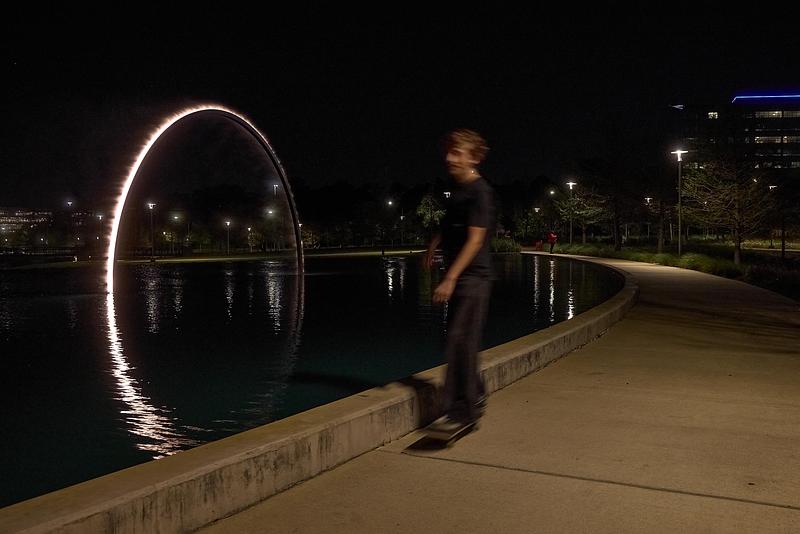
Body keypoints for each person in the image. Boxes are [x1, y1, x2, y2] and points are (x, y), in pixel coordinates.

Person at [424, 128, 495, 433]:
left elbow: (475, 240)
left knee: (458, 340)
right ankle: (476, 392)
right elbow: (450, 225)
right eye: (449, 152)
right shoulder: (457, 191)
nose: (449, 158)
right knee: (457, 340)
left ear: (474, 158)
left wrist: (450, 277)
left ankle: (461, 411)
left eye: (457, 153)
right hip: (460, 276)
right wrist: (433, 246)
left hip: (474, 278)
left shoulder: (481, 193)